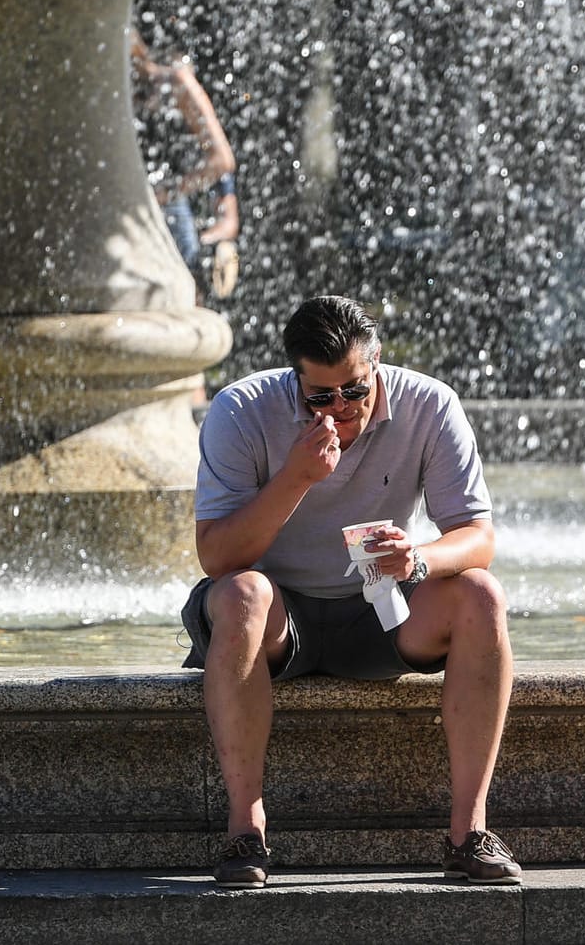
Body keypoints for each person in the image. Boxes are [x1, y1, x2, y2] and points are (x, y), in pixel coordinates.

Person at [180, 294, 518, 888]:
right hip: (274, 620)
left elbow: (478, 535)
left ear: (377, 363)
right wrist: (295, 479)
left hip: (381, 609)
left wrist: (418, 560)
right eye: (322, 397)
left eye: (357, 390)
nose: (343, 408)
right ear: (296, 381)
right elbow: (217, 557)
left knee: (481, 595)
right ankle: (245, 831)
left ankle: (470, 833)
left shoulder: (430, 404)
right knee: (241, 594)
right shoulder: (240, 410)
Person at [130, 28, 240, 301]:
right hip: (131, 209)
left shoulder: (175, 82)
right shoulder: (117, 94)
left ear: (139, 51)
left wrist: (165, 194)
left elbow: (222, 160)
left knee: (183, 303)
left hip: (170, 207)